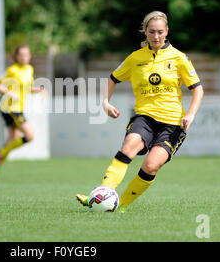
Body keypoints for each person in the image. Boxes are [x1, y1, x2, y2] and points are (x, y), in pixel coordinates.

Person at [76, 11, 204, 212]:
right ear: (145, 31)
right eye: (151, 32)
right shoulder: (135, 58)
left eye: (160, 32)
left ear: (167, 31)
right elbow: (113, 78)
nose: (156, 37)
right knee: (128, 147)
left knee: (151, 165)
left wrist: (191, 114)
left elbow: (198, 88)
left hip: (173, 123)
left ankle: (122, 205)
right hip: (145, 117)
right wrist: (105, 102)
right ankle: (99, 196)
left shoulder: (179, 58)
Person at [0, 44, 44, 179]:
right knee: (29, 136)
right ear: (16, 56)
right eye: (21, 55)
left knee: (12, 140)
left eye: (26, 54)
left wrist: (37, 90)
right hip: (11, 108)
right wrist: (9, 93)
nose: (24, 57)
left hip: (18, 109)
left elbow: (26, 88)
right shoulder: (12, 70)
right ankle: (0, 153)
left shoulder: (29, 69)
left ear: (30, 56)